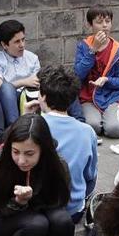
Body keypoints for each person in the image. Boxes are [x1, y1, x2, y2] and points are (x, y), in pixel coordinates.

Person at [39, 66, 98, 222]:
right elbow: (90, 175)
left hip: (40, 207)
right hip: (73, 211)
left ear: (43, 97)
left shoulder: (36, 125)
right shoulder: (87, 131)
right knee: (92, 174)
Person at [74, 5, 119, 138]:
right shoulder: (83, 46)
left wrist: (107, 80)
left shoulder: (118, 51)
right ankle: (107, 118)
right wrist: (93, 50)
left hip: (111, 97)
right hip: (88, 97)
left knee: (113, 130)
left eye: (108, 21)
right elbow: (78, 74)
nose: (105, 26)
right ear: (90, 25)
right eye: (99, 22)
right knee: (92, 126)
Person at [0, 19, 42, 126]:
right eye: (17, 42)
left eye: (23, 40)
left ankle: (79, 121)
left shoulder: (32, 58)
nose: (22, 45)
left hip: (31, 97)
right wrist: (24, 82)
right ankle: (15, 127)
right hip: (10, 101)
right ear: (4, 44)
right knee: (7, 88)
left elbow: (37, 82)